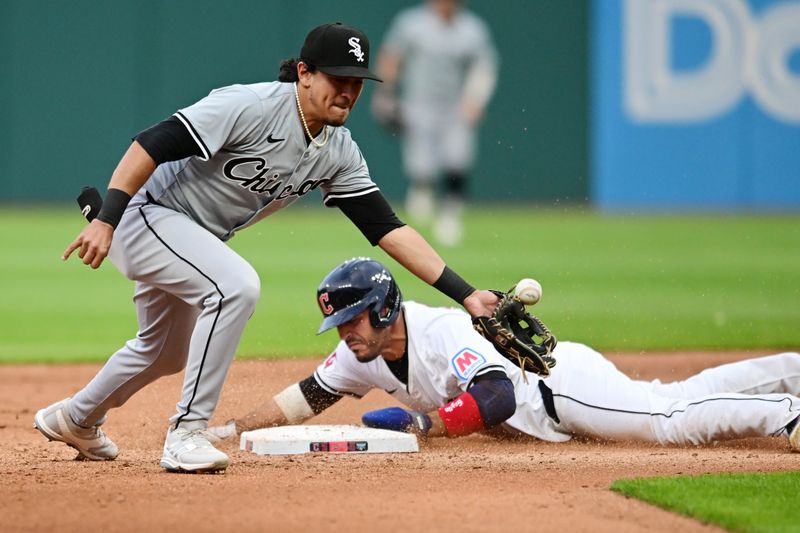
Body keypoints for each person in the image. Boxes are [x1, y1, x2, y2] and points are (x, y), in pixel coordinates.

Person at [32, 22, 500, 474]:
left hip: (192, 238)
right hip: (146, 213)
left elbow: (387, 228)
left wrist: (467, 295)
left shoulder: (338, 149)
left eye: (357, 82)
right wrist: (109, 218)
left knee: (166, 351)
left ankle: (75, 418)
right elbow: (152, 142)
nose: (349, 91)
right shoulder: (250, 105)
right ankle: (187, 434)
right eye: (338, 78)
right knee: (235, 286)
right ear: (304, 72)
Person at [209, 257, 800, 453]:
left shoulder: (441, 331)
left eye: (351, 318)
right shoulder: (358, 354)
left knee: (666, 422)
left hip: (557, 385)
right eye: (336, 324)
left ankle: (783, 416)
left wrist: (422, 425)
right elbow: (306, 398)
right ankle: (791, 370)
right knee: (669, 397)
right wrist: (231, 429)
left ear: (384, 308)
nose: (344, 334)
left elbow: (496, 394)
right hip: (547, 402)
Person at [371, 0, 499, 246]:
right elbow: (391, 56)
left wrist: (475, 99)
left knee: (457, 161)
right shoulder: (413, 23)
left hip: (454, 106)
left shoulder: (472, 28)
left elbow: (485, 66)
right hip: (419, 103)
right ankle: (420, 210)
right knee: (422, 167)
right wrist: (386, 94)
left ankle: (451, 216)